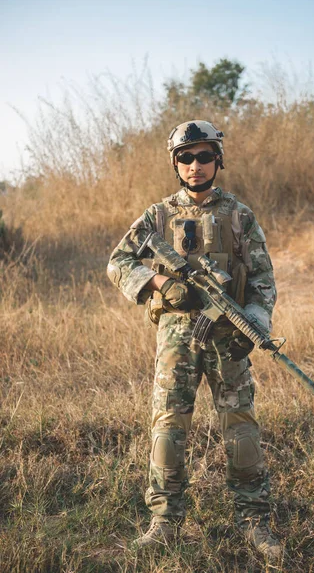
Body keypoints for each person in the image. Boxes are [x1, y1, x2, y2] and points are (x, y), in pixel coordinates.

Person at [107, 120, 283, 564]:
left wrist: (255, 324)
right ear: (175, 164)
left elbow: (262, 278)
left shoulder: (239, 216)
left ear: (217, 160)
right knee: (168, 428)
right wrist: (160, 282)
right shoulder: (158, 215)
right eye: (185, 157)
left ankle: (254, 520)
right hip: (177, 341)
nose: (195, 165)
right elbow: (118, 262)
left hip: (230, 341)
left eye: (204, 156)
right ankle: (164, 521)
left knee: (241, 429)